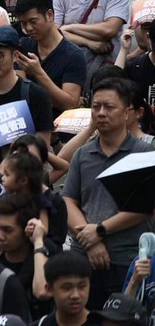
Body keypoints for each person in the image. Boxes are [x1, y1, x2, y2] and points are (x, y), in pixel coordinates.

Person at [63, 77, 154, 309]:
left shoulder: (144, 153)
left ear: (126, 113)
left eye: (109, 107)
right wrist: (90, 241)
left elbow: (142, 209)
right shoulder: (83, 154)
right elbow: (68, 200)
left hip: (126, 259)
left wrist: (100, 230)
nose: (101, 113)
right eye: (96, 107)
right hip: (84, 258)